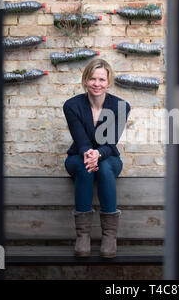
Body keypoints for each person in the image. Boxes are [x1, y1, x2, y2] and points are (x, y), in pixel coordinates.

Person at [63, 59, 131, 258]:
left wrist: (98, 154)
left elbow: (110, 144)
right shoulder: (72, 105)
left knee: (104, 166)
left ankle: (109, 236)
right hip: (77, 158)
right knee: (86, 166)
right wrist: (89, 154)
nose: (96, 83)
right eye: (92, 78)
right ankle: (82, 236)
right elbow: (82, 142)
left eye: (101, 79)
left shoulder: (120, 106)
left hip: (109, 159)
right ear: (85, 80)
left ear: (108, 82)